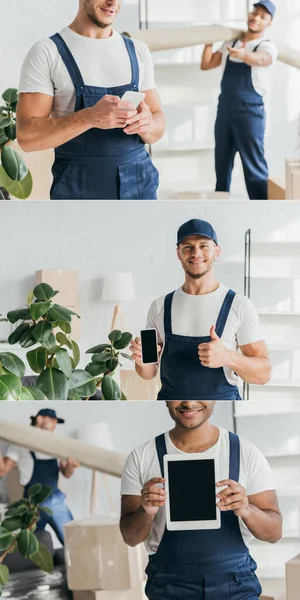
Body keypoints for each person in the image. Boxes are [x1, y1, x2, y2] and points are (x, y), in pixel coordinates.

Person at [120, 400, 282, 600]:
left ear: (214, 398)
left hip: (236, 586)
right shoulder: (141, 457)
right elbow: (130, 537)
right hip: (169, 588)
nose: (189, 403)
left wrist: (247, 509)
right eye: (179, 395)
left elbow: (275, 532)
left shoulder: (245, 452)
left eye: (199, 394)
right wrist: (145, 511)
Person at [16, 0, 165, 200]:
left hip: (140, 188)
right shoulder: (47, 52)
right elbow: (27, 137)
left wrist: (147, 124)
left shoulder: (138, 51)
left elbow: (158, 120)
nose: (113, 2)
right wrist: (89, 118)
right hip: (78, 193)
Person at [129, 218, 271, 400]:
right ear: (178, 253)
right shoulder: (159, 306)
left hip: (221, 406)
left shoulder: (240, 305)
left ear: (217, 251)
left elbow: (264, 374)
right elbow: (148, 373)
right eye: (188, 247)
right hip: (171, 406)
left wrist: (228, 357)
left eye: (204, 246)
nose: (196, 253)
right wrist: (141, 361)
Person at [201, 1, 278, 200]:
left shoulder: (267, 46)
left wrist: (243, 55)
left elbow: (262, 59)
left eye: (263, 16)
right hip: (225, 111)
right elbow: (207, 64)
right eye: (255, 12)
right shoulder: (231, 43)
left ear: (269, 23)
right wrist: (209, 40)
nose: (256, 17)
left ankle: (261, 209)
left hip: (250, 113)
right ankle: (220, 207)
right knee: (222, 164)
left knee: (254, 167)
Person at [0, 409, 79, 545]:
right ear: (40, 419)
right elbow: (2, 470)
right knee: (29, 549)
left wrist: (71, 467)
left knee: (74, 543)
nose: (55, 426)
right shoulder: (20, 444)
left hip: (56, 503)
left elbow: (66, 473)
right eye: (52, 421)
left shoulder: (56, 445)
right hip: (32, 507)